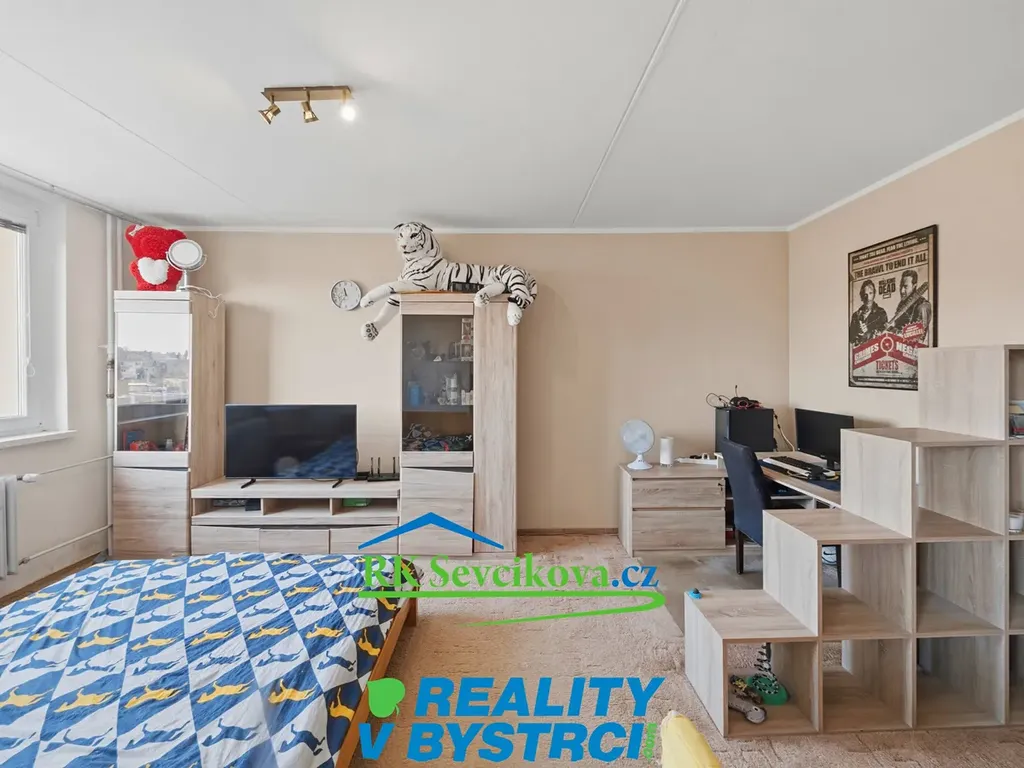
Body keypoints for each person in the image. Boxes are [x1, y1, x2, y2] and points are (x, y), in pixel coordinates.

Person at [893, 269, 932, 345]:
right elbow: (898, 328)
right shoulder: (901, 304)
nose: (902, 291)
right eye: (901, 286)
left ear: (914, 286)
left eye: (905, 287)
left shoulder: (923, 306)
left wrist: (895, 333)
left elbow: (918, 339)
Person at [849, 279, 888, 344]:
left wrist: (868, 333)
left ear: (874, 294)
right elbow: (851, 340)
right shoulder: (855, 316)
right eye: (865, 294)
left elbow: (884, 337)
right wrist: (860, 333)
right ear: (861, 296)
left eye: (870, 293)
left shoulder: (881, 313)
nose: (868, 298)